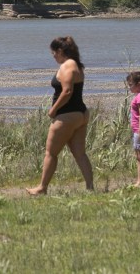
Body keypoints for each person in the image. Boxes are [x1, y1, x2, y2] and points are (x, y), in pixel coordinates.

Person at [27, 36, 94, 195]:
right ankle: (90, 187)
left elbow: (67, 91)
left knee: (51, 153)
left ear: (60, 51)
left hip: (67, 115)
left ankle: (42, 188)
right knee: (80, 154)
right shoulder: (77, 65)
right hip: (81, 114)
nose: (53, 56)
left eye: (53, 53)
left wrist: (53, 110)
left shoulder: (67, 66)